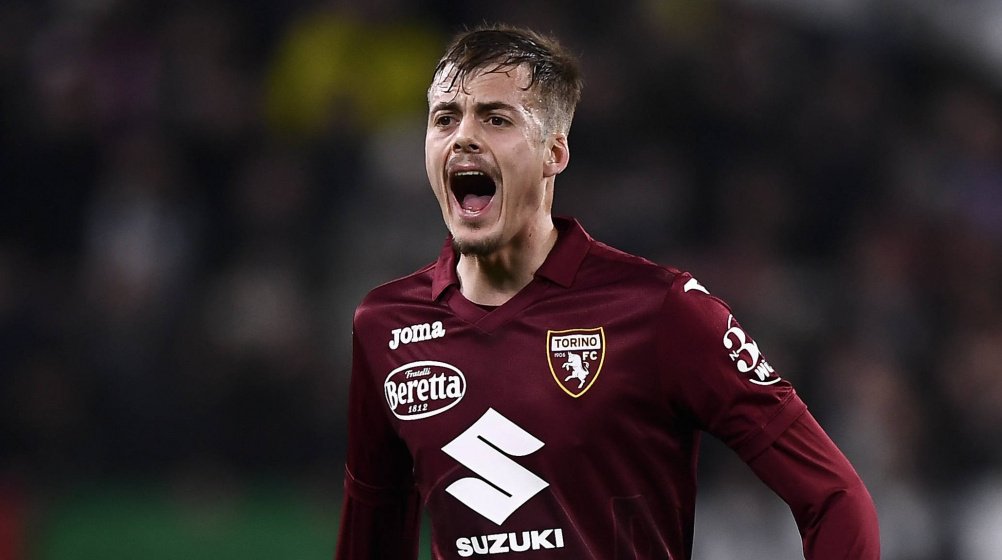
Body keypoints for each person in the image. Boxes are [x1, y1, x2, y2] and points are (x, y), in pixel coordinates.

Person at [335, 24, 879, 559]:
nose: (463, 137)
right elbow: (369, 538)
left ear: (554, 153)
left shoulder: (661, 309)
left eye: (496, 118)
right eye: (445, 118)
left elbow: (834, 497)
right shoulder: (385, 325)